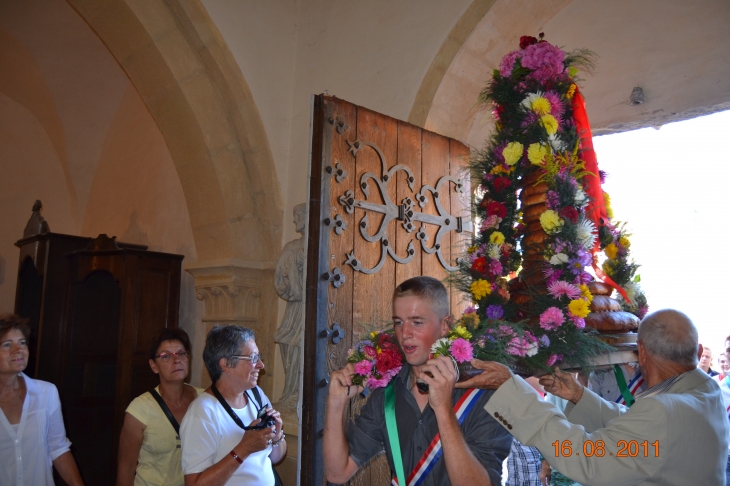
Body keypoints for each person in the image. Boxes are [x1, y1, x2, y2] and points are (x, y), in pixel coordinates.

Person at [456, 309, 729, 485]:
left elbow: (584, 455)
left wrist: (511, 390)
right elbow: (640, 433)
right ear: (698, 349)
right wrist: (578, 396)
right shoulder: (707, 392)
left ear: (641, 352)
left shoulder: (662, 413)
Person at [324, 276, 512, 486]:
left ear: (445, 326)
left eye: (417, 322)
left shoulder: (483, 394)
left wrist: (443, 409)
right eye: (398, 322)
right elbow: (337, 473)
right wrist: (336, 402)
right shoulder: (387, 395)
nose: (404, 334)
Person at [180, 325, 286, 485]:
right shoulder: (203, 413)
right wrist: (244, 448)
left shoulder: (256, 395)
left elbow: (276, 457)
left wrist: (276, 437)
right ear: (226, 365)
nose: (261, 365)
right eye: (253, 358)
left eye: (259, 357)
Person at [0, 313, 84, 486]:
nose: (18, 350)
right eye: (7, 345)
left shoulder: (46, 393)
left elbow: (58, 448)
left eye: (22, 342)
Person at [117, 328, 203, 485]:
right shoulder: (140, 409)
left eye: (181, 353)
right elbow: (126, 470)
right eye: (166, 356)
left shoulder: (204, 400)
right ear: (154, 366)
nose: (176, 360)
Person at [273, 202, 306, 408]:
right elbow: (280, 282)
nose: (294, 220)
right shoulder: (292, 247)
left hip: (310, 309)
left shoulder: (324, 245)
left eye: (298, 215)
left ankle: (300, 394)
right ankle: (292, 393)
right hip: (295, 310)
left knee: (303, 347)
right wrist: (293, 261)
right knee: (290, 347)